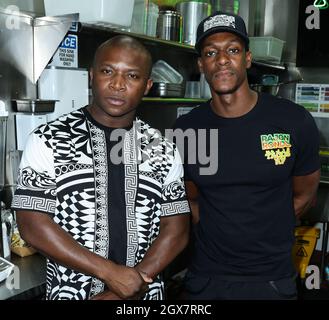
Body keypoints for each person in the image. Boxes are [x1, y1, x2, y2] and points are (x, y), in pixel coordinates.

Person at [12, 35, 190, 300]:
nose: (118, 85)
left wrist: (129, 285)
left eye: (132, 76)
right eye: (108, 71)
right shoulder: (49, 139)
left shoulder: (162, 149)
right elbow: (32, 224)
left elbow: (176, 229)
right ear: (92, 76)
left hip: (143, 296)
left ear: (147, 85)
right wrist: (110, 273)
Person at [174, 11, 320, 300]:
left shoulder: (292, 120)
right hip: (206, 278)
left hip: (271, 280)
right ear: (201, 64)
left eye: (233, 50)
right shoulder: (188, 128)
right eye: (211, 52)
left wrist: (269, 224)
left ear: (247, 59)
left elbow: (305, 194)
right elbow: (191, 198)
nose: (223, 59)